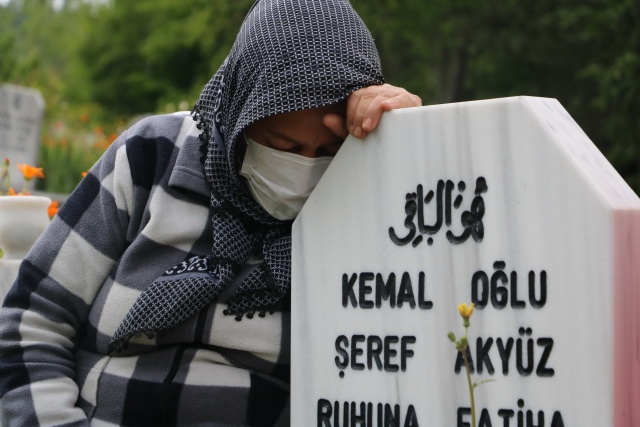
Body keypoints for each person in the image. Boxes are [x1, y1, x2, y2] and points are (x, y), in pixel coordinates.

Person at [0, 0, 421, 425]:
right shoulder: (151, 157)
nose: (305, 169)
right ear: (240, 115)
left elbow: (413, 348)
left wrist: (404, 148)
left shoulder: (358, 195)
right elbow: (33, 318)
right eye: (285, 147)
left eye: (326, 152)